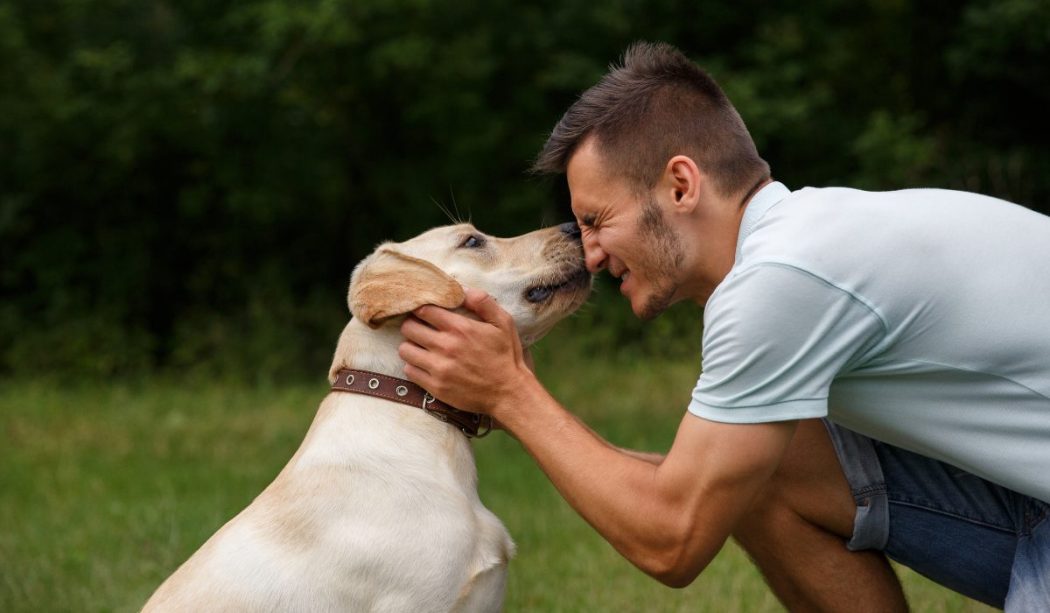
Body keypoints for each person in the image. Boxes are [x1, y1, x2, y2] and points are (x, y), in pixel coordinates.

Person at [397, 41, 1050, 611]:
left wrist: (512, 393)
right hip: (1027, 495)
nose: (589, 254)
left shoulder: (783, 279)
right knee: (757, 471)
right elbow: (694, 486)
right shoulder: (807, 243)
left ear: (681, 185)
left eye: (597, 220)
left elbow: (671, 536)